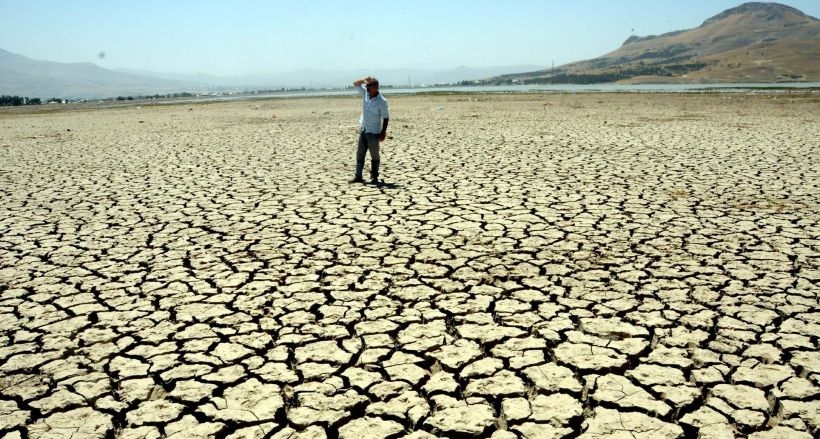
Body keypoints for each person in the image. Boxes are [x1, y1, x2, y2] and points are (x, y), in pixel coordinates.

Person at [351, 76, 389, 184]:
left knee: (374, 155)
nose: (367, 88)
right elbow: (355, 83)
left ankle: (374, 177)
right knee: (360, 154)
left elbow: (386, 117)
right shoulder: (365, 95)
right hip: (364, 129)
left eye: (369, 86)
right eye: (367, 86)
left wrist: (383, 132)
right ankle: (358, 176)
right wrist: (364, 80)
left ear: (376, 88)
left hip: (374, 132)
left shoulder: (382, 101)